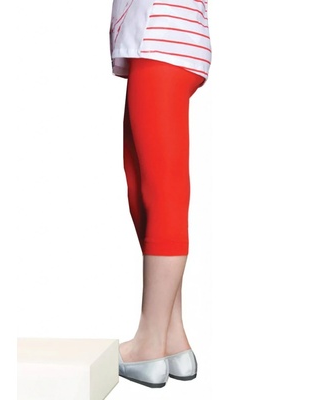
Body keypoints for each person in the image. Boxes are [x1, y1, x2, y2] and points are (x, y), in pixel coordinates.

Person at [109, 0, 212, 388]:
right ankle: (171, 335)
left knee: (163, 195)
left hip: (162, 36)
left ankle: (148, 344)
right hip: (163, 39)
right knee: (143, 190)